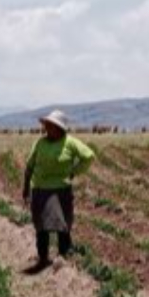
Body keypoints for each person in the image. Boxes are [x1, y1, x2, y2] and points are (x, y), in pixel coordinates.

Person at [23, 110, 95, 267]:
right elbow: (29, 167)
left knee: (63, 226)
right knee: (41, 227)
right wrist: (25, 189)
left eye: (51, 126)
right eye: (47, 126)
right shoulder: (40, 143)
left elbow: (89, 156)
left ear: (60, 128)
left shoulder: (70, 142)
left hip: (61, 190)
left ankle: (64, 257)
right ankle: (43, 258)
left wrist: (74, 171)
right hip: (41, 191)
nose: (47, 129)